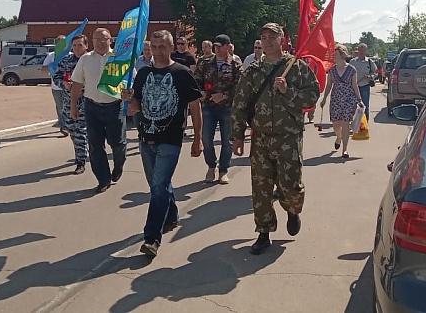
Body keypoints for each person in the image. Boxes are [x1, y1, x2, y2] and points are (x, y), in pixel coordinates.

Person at [231, 22, 320, 255]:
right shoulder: (253, 71)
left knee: (290, 184)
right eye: (264, 37)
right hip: (261, 138)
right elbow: (240, 104)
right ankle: (264, 232)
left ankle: (292, 210)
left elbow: (312, 96)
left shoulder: (296, 67)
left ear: (282, 40)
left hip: (288, 138)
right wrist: (237, 136)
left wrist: (287, 90)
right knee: (261, 187)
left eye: (272, 37)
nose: (268, 41)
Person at [123, 30, 203, 257]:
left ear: (171, 48)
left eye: (162, 47)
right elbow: (137, 107)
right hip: (145, 138)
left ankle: (151, 238)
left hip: (170, 139)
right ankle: (171, 214)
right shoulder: (143, 73)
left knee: (159, 186)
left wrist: (198, 138)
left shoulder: (181, 73)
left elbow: (195, 106)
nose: (157, 51)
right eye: (154, 47)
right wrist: (128, 99)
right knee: (157, 184)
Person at [69, 28, 127, 194]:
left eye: (104, 39)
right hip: (92, 107)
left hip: (114, 106)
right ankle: (103, 179)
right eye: (97, 39)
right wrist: (73, 105)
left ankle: (119, 165)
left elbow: (131, 80)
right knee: (95, 145)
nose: (101, 42)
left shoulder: (119, 58)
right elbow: (77, 83)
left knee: (117, 143)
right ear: (92, 41)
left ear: (110, 40)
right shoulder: (85, 59)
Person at [194, 34, 241, 184]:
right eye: (215, 46)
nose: (217, 49)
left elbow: (240, 86)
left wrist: (224, 95)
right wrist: (200, 92)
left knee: (227, 141)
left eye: (220, 46)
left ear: (228, 47)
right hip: (208, 106)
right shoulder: (205, 63)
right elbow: (196, 79)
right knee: (206, 139)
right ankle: (211, 166)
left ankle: (223, 170)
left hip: (227, 107)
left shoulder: (235, 64)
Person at [52, 35, 89, 174]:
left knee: (80, 131)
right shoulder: (66, 61)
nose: (77, 48)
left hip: (86, 102)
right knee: (73, 131)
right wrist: (64, 84)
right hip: (69, 102)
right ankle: (82, 152)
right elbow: (56, 77)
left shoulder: (91, 60)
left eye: (80, 45)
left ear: (86, 46)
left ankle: (80, 161)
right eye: (74, 45)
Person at [319, 44, 364, 158]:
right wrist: (324, 99)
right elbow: (328, 85)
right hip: (336, 100)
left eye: (336, 54)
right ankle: (338, 137)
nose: (334, 56)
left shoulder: (351, 69)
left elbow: (355, 85)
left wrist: (359, 100)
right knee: (335, 124)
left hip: (349, 99)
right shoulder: (332, 70)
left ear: (342, 55)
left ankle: (345, 150)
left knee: (345, 124)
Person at [42, 35, 68, 136]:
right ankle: (63, 126)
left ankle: (70, 124)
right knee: (60, 106)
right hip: (56, 86)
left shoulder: (70, 55)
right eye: (59, 43)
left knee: (69, 106)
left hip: (68, 85)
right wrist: (51, 66)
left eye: (63, 43)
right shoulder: (51, 56)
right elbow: (43, 69)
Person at [351, 43, 377, 119]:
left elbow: (376, 72)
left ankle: (365, 122)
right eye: (360, 50)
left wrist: (371, 77)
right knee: (354, 105)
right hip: (354, 87)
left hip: (365, 86)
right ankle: (355, 122)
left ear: (366, 51)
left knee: (364, 105)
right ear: (358, 51)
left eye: (363, 50)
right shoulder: (353, 62)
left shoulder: (370, 62)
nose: (362, 52)